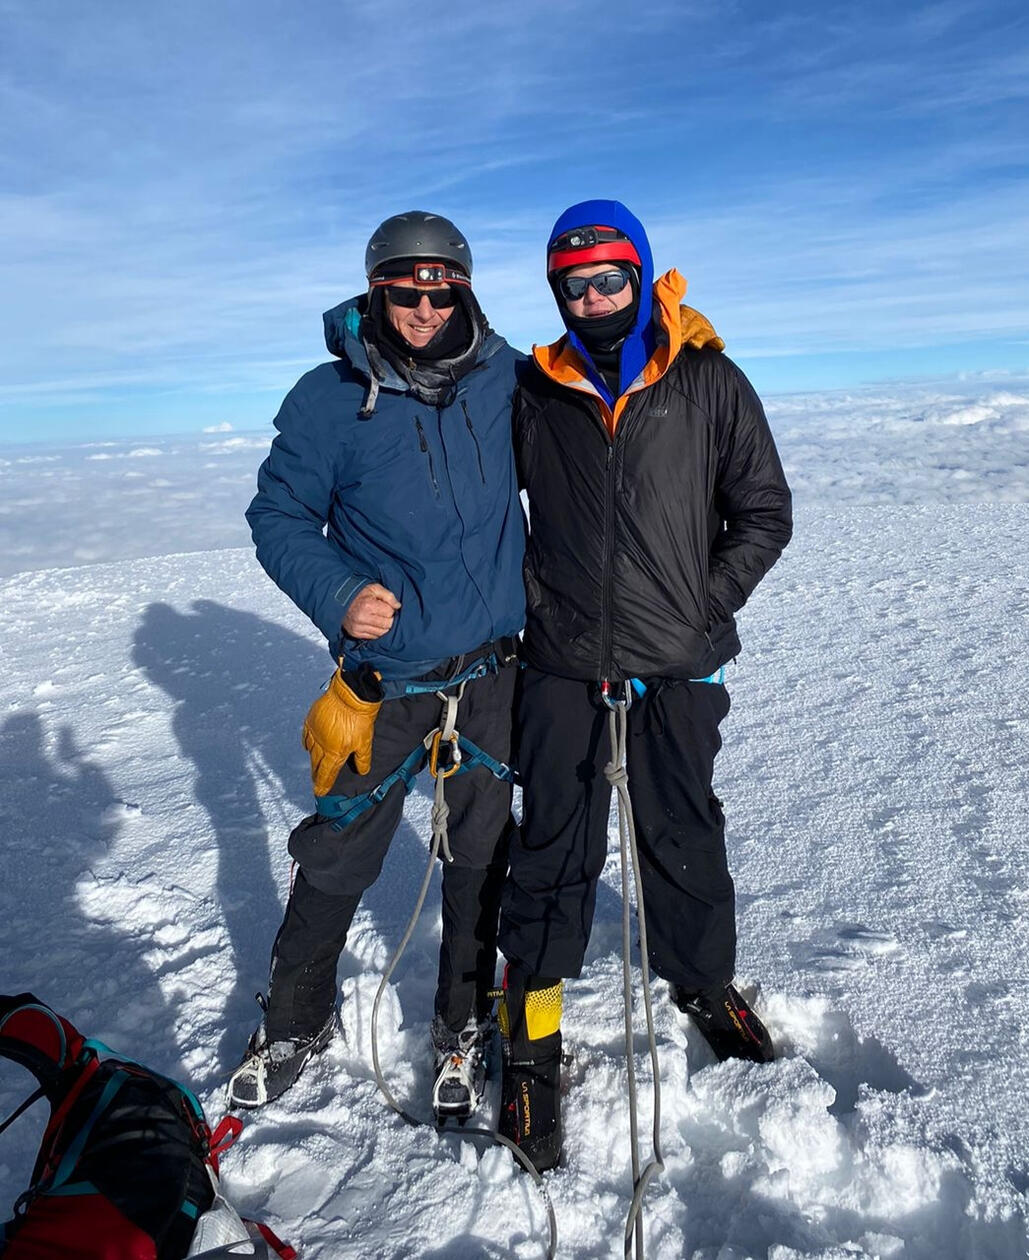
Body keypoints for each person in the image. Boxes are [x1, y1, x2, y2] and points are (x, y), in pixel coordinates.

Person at [495, 200, 793, 1170]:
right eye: (572, 286)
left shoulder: (707, 381)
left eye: (609, 279)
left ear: (640, 273)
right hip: (562, 660)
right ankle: (533, 1032)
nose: (591, 299)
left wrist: (701, 608)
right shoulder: (536, 389)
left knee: (681, 831)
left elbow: (763, 511)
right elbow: (487, 505)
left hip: (678, 661)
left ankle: (702, 981)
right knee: (552, 845)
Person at [228, 212, 526, 1121]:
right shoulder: (329, 398)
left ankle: (461, 1023)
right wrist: (338, 591)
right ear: (375, 293)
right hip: (386, 678)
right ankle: (293, 1022)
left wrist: (664, 347)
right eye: (404, 292)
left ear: (464, 292)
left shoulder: (508, 378)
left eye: (441, 292)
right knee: (338, 850)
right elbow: (277, 515)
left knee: (479, 852)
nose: (424, 309)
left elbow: (597, 415)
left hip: (492, 673)